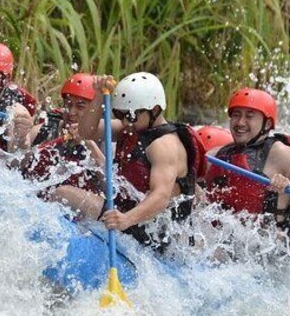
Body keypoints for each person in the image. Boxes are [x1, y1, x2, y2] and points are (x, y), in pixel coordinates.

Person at [51, 72, 204, 251]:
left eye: (130, 115)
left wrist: (125, 220)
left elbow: (161, 196)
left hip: (154, 231)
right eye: (119, 114)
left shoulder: (164, 146)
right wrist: (98, 96)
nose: (125, 121)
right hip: (131, 213)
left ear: (154, 111)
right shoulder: (132, 126)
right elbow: (87, 132)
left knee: (64, 194)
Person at [203, 87, 290, 241]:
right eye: (236, 115)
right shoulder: (216, 155)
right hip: (221, 250)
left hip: (269, 255)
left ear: (267, 124)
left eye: (250, 116)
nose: (240, 122)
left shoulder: (282, 155)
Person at [20, 73, 105, 199]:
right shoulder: (45, 129)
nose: (71, 112)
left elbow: (112, 186)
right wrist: (20, 135)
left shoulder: (104, 138)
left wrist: (88, 144)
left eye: (80, 106)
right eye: (68, 104)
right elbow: (17, 162)